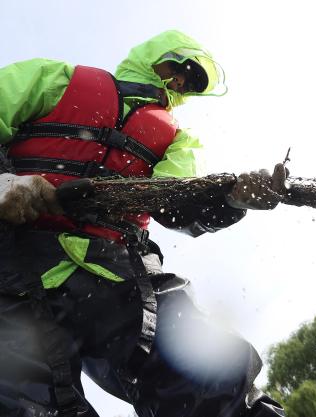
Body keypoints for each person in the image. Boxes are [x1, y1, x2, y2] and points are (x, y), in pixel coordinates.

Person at [0, 30, 286, 417]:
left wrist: (232, 201)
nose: (179, 81)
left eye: (191, 81)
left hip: (122, 275)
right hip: (15, 270)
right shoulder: (56, 79)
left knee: (210, 375)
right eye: (178, 67)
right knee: (21, 403)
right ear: (154, 57)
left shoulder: (178, 141)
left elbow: (180, 205)